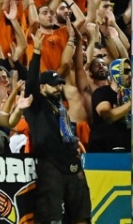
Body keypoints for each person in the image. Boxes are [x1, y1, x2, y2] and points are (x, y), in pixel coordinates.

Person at [25, 30, 91, 224]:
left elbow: (64, 132)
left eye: (60, 84)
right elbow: (31, 82)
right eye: (53, 85)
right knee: (50, 217)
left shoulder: (61, 108)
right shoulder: (36, 105)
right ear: (42, 88)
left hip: (72, 162)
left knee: (82, 215)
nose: (58, 88)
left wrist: (75, 144)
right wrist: (37, 52)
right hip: (50, 164)